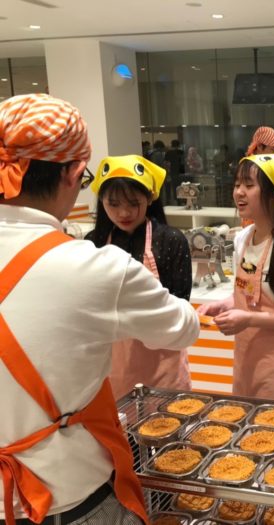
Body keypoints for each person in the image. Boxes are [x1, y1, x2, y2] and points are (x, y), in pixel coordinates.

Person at [0, 93, 199, 524]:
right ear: (74, 173)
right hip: (70, 498)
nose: (123, 212)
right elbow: (184, 325)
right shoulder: (96, 265)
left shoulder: (161, 242)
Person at [198, 154, 274, 402]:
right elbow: (250, 293)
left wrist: (249, 319)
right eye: (237, 184)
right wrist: (226, 304)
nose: (239, 192)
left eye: (249, 185)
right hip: (249, 356)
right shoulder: (243, 238)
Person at [86, 154, 193, 400]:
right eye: (113, 204)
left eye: (133, 203)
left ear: (149, 198)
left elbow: (179, 308)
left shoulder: (171, 240)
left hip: (163, 360)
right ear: (101, 201)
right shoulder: (94, 242)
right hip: (113, 364)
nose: (124, 212)